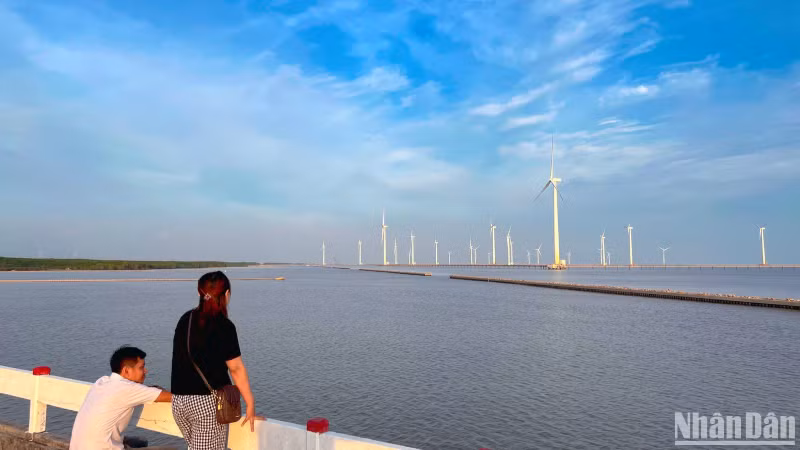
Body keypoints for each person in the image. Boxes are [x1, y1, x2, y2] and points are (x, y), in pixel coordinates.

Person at [170, 271, 260, 449]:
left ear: (199, 293)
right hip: (207, 404)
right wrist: (250, 402)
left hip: (179, 402)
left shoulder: (185, 320)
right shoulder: (224, 326)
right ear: (227, 294)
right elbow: (236, 369)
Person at [69, 346, 172, 449]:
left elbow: (136, 391)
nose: (145, 371)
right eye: (141, 367)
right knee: (170, 449)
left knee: (140, 442)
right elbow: (173, 397)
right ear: (126, 371)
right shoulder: (128, 389)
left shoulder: (101, 381)